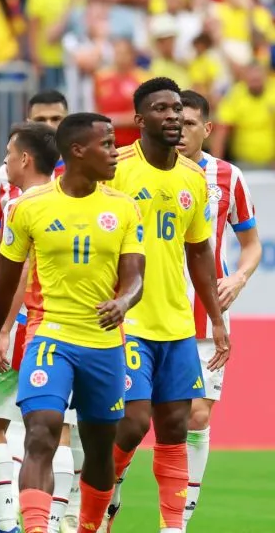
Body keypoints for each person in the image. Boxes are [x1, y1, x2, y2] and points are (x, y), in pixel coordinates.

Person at [0, 112, 146, 533]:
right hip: (49, 336)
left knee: (99, 450)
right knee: (40, 432)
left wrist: (124, 301)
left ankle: (86, 526)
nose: (115, 152)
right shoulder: (28, 207)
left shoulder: (123, 208)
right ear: (77, 151)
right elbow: (4, 283)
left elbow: (135, 276)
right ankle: (34, 528)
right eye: (106, 144)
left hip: (105, 344)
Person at [98, 77, 227, 533]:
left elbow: (199, 253)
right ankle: (95, 508)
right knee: (132, 423)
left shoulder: (194, 178)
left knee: (175, 426)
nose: (172, 116)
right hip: (127, 320)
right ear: (139, 120)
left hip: (175, 322)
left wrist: (215, 320)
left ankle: (173, 529)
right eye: (161, 109)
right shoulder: (116, 168)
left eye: (177, 109)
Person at [0, 90, 85, 533]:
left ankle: (13, 522)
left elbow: (18, 266)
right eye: (43, 118)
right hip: (58, 323)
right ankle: (51, 520)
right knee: (52, 428)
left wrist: (0, 327)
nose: (51, 125)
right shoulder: (21, 180)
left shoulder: (61, 185)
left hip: (35, 319)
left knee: (17, 426)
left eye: (58, 118)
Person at [175, 90, 260, 529]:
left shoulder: (227, 177)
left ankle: (180, 519)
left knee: (197, 414)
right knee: (130, 421)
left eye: (190, 123)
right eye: (174, 120)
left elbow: (251, 243)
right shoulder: (138, 172)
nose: (180, 129)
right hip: (145, 314)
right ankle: (105, 508)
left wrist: (239, 278)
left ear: (207, 129)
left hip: (206, 314)